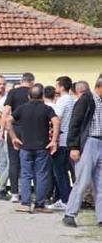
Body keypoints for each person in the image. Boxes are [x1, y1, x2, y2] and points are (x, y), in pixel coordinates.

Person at [7, 84, 59, 213]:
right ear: (42, 96)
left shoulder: (22, 109)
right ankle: (40, 205)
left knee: (25, 175)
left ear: (29, 96)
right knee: (41, 175)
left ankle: (25, 203)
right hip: (42, 147)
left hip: (25, 146)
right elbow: (56, 121)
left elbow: (8, 121)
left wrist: (14, 137)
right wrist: (53, 141)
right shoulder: (47, 109)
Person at [62, 79, 100, 227]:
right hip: (88, 142)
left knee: (100, 183)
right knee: (82, 181)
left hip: (100, 142)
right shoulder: (86, 100)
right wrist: (73, 146)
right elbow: (75, 123)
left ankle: (101, 217)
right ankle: (70, 213)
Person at [4, 73, 36, 202]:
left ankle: (14, 193)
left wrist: (3, 129)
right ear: (32, 82)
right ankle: (27, 191)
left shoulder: (12, 92)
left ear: (21, 81)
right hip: (30, 129)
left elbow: (6, 111)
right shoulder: (34, 92)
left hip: (15, 128)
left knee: (13, 161)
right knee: (28, 161)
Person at [48, 76, 75, 211]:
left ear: (62, 87)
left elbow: (56, 119)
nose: (56, 88)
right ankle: (61, 198)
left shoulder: (63, 101)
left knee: (60, 172)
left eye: (57, 85)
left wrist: (53, 139)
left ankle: (64, 199)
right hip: (68, 140)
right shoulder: (71, 100)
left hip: (62, 140)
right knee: (63, 171)